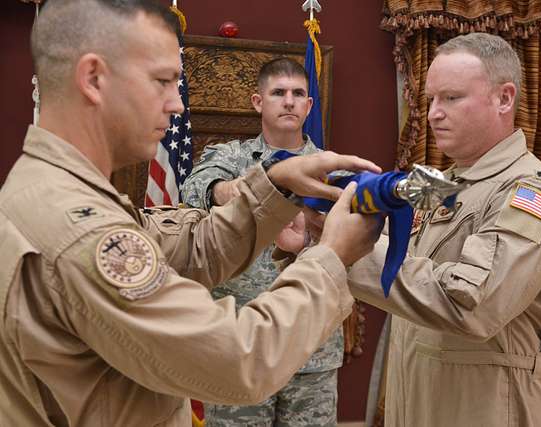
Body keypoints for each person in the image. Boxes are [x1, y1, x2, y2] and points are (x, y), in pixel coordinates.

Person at [0, 1, 384, 426]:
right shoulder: (79, 229)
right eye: (162, 82)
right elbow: (238, 359)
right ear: (93, 79)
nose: (176, 104)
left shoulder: (52, 189)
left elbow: (191, 249)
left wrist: (275, 188)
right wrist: (330, 257)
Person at [305, 33, 541, 426]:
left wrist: (348, 250)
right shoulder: (441, 183)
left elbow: (472, 306)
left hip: (483, 412)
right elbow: (405, 257)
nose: (434, 113)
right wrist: (321, 228)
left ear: (504, 99)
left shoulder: (530, 194)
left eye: (451, 98)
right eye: (431, 99)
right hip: (417, 403)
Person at [182, 58, 343, 427]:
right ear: (258, 102)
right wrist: (234, 190)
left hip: (310, 348)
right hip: (242, 344)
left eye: (297, 94)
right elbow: (196, 190)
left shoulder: (333, 170)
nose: (289, 101)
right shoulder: (230, 157)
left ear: (309, 106)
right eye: (278, 93)